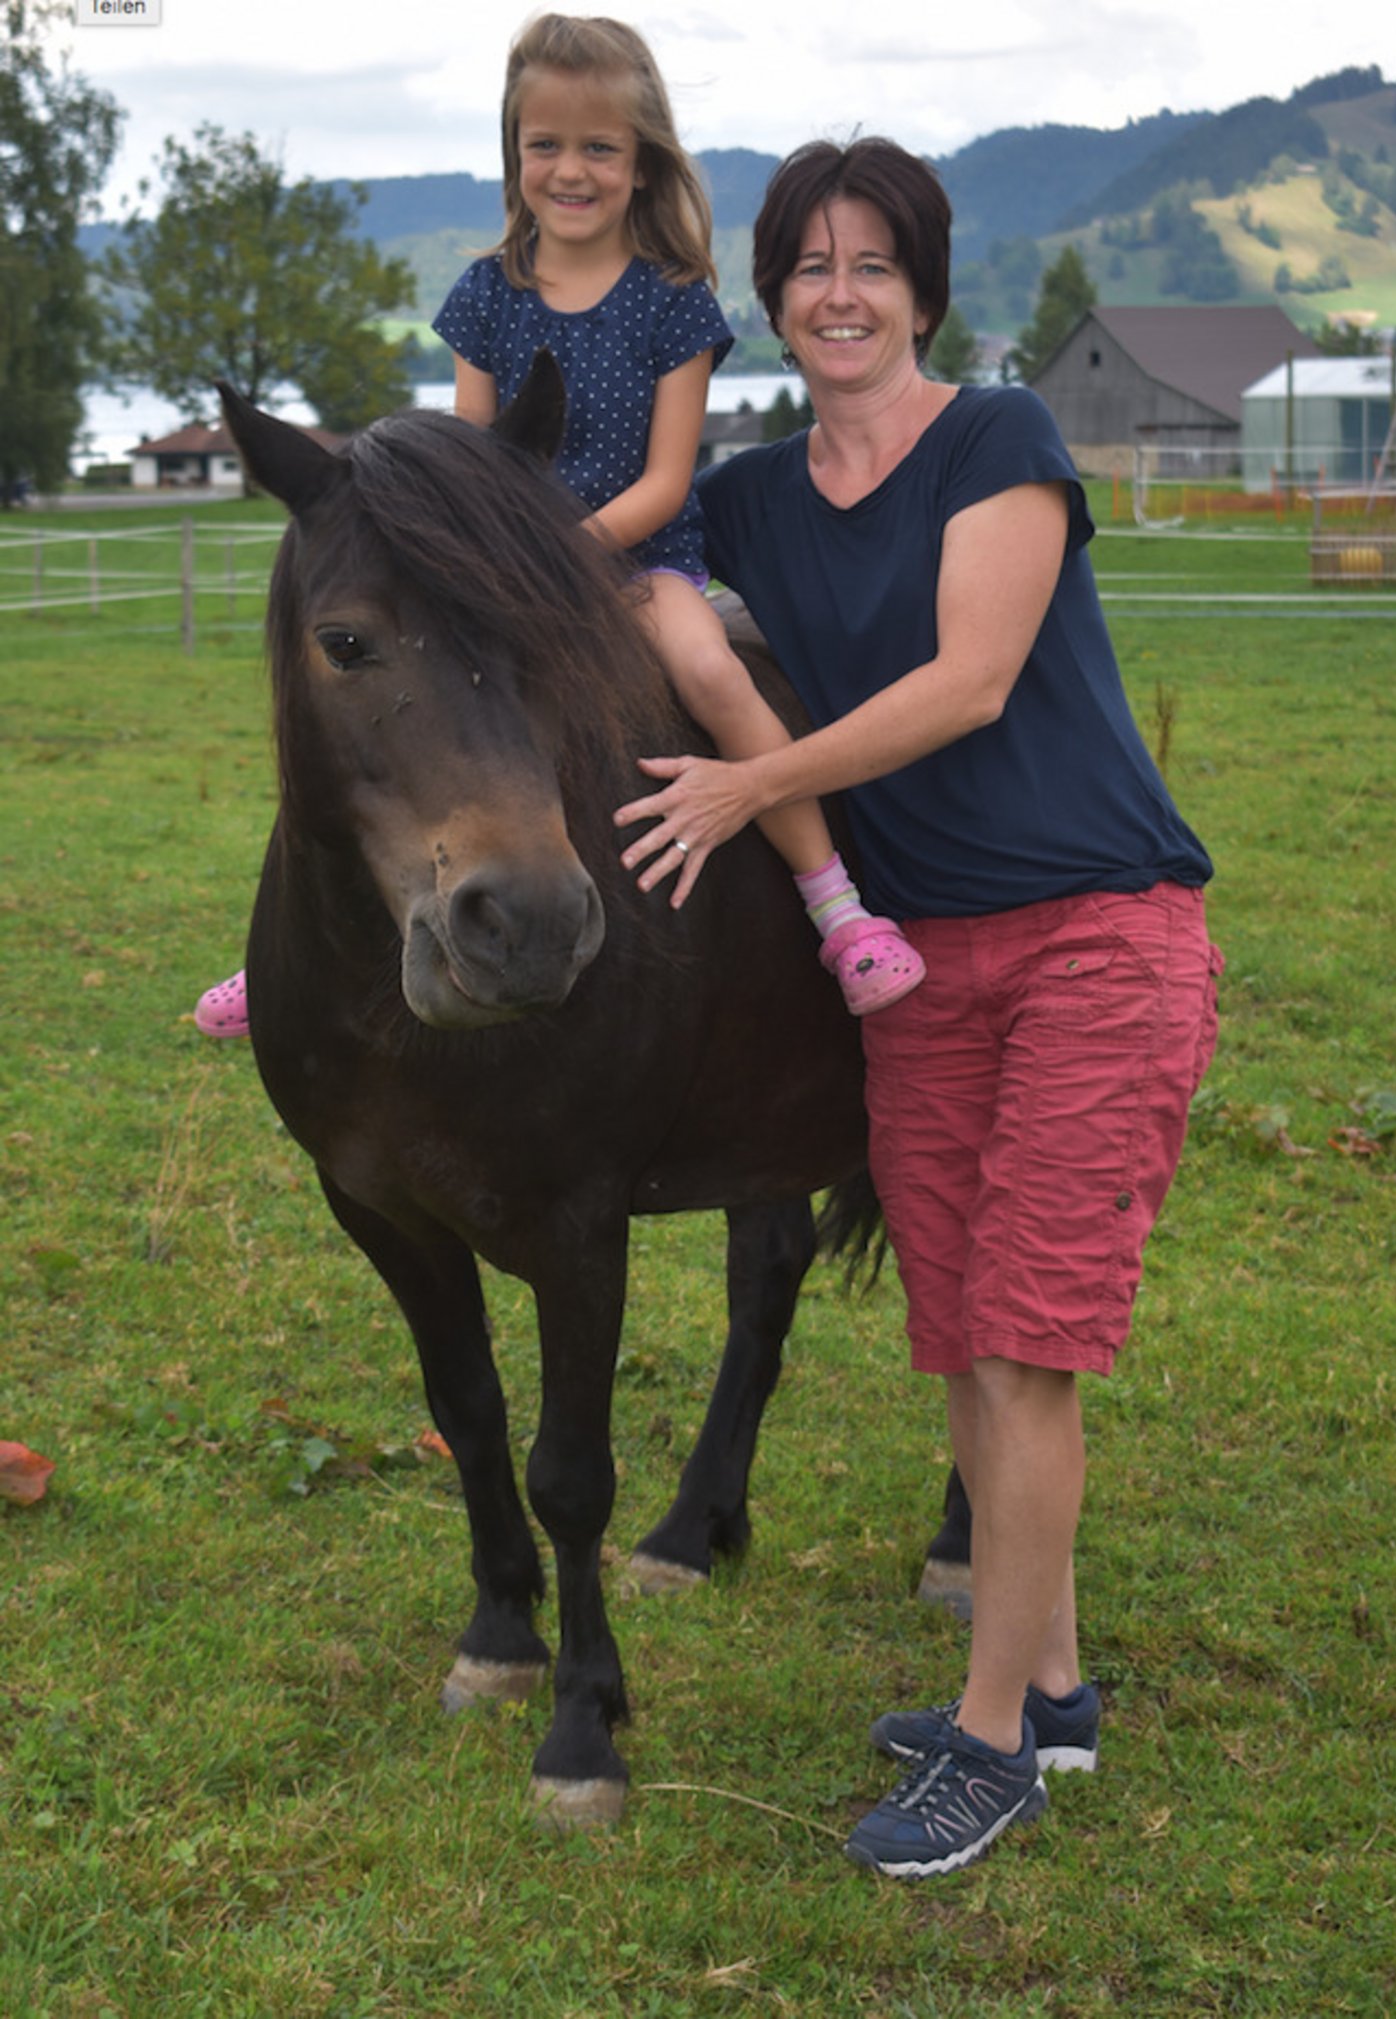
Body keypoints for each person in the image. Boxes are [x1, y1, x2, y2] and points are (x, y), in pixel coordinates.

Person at [614, 136, 1223, 1880]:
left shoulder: (1000, 440)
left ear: (926, 287)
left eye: (875, 262)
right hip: (923, 964)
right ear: (775, 297)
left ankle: (985, 1746)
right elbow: (622, 530)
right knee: (964, 1335)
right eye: (810, 264)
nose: (841, 291)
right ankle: (1052, 1683)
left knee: (1028, 1337)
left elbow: (967, 683)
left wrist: (752, 787)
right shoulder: (750, 490)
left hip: (1099, 934)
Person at [191, 16, 922, 1042]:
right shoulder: (485, 294)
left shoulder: (672, 305)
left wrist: (550, 563)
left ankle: (831, 903)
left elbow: (668, 481)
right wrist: (483, 572)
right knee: (385, 711)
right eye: (545, 145)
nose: (568, 170)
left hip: (632, 564)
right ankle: (291, 956)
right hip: (498, 582)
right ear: (513, 153)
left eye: (598, 148)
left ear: (640, 162)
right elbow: (462, 463)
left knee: (713, 676)